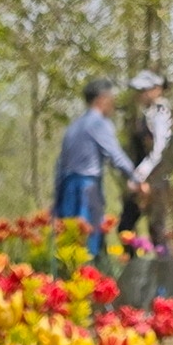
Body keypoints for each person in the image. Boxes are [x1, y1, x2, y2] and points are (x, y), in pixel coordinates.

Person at [52, 77, 142, 233]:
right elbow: (116, 156)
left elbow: (60, 163)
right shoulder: (99, 124)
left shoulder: (74, 126)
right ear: (102, 99)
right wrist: (137, 178)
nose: (113, 103)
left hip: (67, 186)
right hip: (88, 186)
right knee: (88, 236)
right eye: (111, 99)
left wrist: (58, 196)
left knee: (69, 238)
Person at [118, 71, 173, 248]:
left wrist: (141, 177)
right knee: (127, 226)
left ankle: (163, 270)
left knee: (156, 228)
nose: (140, 94)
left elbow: (158, 150)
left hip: (155, 180)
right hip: (147, 179)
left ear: (157, 89)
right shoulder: (149, 113)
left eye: (144, 90)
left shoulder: (161, 113)